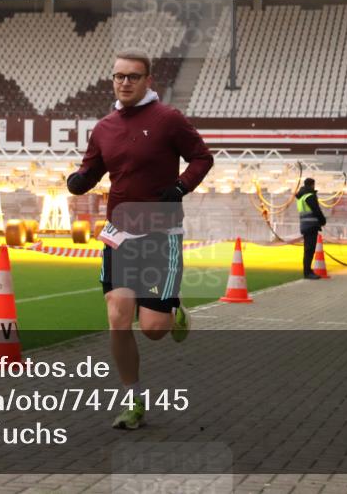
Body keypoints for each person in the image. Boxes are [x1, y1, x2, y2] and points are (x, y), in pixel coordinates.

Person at [66, 50, 213, 430]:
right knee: (117, 315)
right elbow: (92, 168)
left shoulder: (168, 119)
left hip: (161, 233)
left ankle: (173, 311)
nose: (125, 82)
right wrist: (79, 181)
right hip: (119, 232)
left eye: (133, 76)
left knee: (153, 329)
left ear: (149, 80)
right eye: (119, 76)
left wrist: (180, 187)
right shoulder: (104, 127)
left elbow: (202, 158)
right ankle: (133, 399)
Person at [295, 178, 326, 279]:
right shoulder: (309, 196)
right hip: (311, 226)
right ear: (312, 185)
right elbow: (316, 210)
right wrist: (322, 220)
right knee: (310, 250)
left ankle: (307, 270)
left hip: (304, 225)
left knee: (307, 250)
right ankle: (307, 272)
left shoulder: (301, 197)